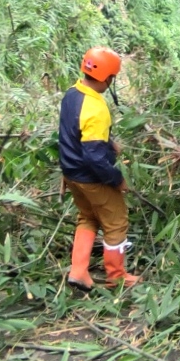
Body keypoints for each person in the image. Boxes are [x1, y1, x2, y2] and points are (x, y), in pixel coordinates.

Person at [59, 46, 139, 291]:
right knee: (116, 222)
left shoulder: (72, 94)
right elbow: (94, 158)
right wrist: (116, 179)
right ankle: (117, 276)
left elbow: (72, 133)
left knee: (88, 217)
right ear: (108, 78)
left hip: (71, 172)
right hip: (91, 176)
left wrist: (108, 142)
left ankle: (79, 271)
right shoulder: (96, 108)